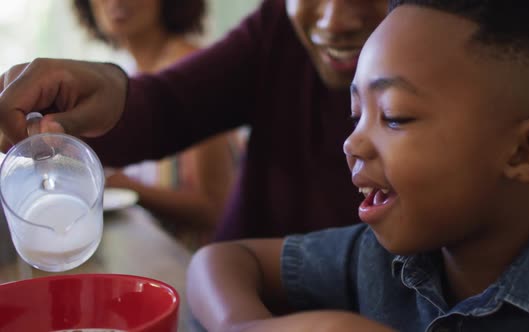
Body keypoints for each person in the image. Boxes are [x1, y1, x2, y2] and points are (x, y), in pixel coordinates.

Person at [183, 1, 529, 331]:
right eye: (356, 113)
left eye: (394, 116)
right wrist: (248, 326)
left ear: (527, 150)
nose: (352, 142)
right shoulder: (374, 257)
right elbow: (222, 261)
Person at [0, 0, 389, 241]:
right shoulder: (275, 29)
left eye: (397, 118)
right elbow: (168, 103)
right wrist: (99, 90)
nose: (334, 20)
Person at [70, 0, 244, 249]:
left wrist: (128, 187)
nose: (116, 1)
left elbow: (215, 210)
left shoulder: (193, 72)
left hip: (198, 267)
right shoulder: (131, 75)